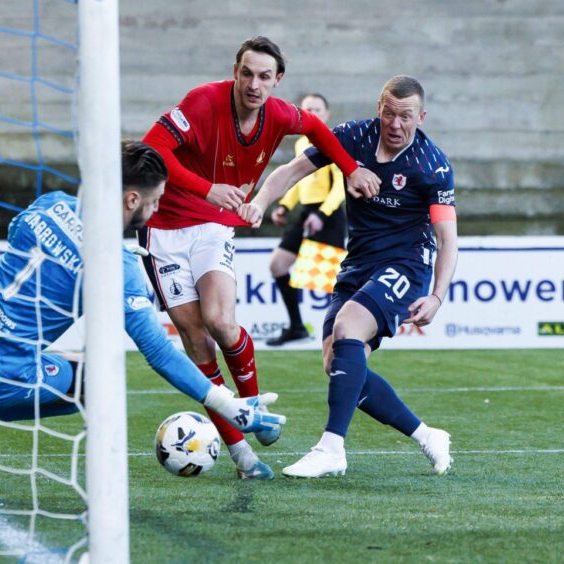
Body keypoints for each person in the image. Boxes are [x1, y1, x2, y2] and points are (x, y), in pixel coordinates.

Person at [0, 142, 286, 504]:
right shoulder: (117, 265)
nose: (154, 212)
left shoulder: (51, 203)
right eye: (154, 202)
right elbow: (157, 353)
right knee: (97, 381)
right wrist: (230, 405)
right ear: (131, 199)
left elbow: (20, 230)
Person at [140, 36, 380, 479]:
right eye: (247, 73)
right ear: (235, 71)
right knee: (196, 341)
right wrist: (206, 187)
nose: (254, 84)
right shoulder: (201, 101)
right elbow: (151, 149)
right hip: (165, 229)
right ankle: (241, 455)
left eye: (264, 76)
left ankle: (253, 410)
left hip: (213, 225)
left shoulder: (280, 113)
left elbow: (318, 131)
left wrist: (351, 168)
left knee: (222, 322)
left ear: (277, 80)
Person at [238, 75, 457, 478]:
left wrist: (438, 296)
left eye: (406, 117)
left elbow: (447, 238)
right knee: (336, 361)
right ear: (379, 107)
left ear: (420, 117)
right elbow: (292, 170)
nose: (395, 124)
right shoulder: (352, 137)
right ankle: (427, 435)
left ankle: (331, 447)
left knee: (348, 325)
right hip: (358, 262)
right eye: (389, 113)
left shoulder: (433, 166)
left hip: (407, 264)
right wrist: (259, 202)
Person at [266, 93, 346, 346]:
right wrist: (284, 206)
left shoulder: (333, 140)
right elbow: (299, 181)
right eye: (308, 109)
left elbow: (341, 185)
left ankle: (346, 333)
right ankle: (297, 327)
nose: (313, 113)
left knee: (332, 282)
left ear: (327, 113)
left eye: (318, 109)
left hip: (328, 215)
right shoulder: (302, 144)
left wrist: (322, 214)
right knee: (278, 265)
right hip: (305, 213)